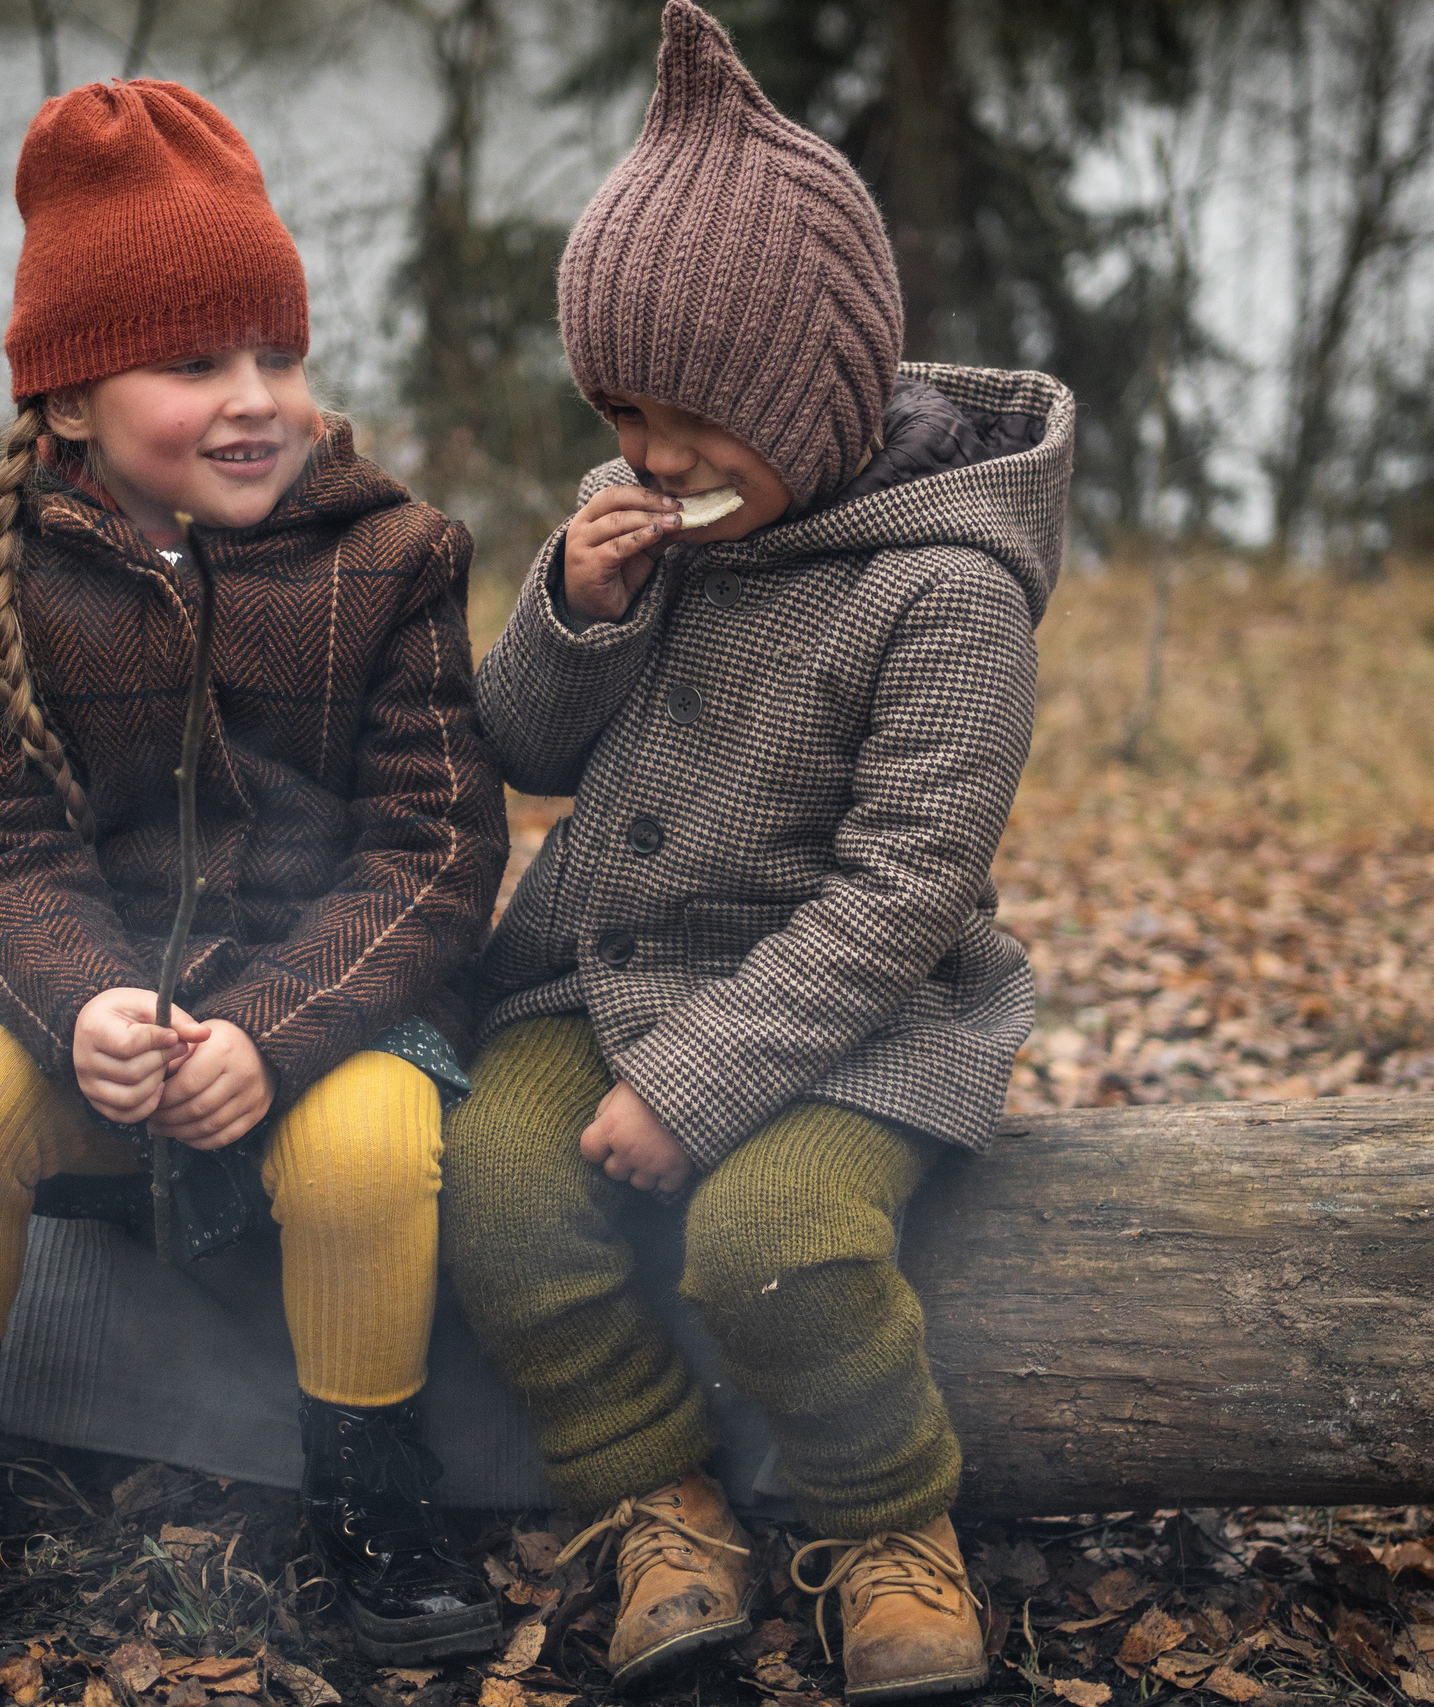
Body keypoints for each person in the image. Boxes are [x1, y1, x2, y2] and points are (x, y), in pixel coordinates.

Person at [0, 80, 510, 1664]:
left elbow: (434, 850)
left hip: (327, 1014)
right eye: (197, 362)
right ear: (68, 401)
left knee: (366, 1147)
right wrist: (81, 1008)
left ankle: (364, 1494)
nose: (257, 395)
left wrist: (272, 1034)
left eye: (279, 353)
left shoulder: (393, 562)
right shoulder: (7, 581)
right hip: (104, 1022)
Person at [439, 3, 1075, 1701]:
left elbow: (904, 892)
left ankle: (889, 1528)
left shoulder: (941, 590)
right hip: (607, 964)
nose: (649, 455)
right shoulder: (657, 521)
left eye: (687, 418)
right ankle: (655, 1497)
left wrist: (700, 1086)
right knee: (496, 1196)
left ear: (805, 394)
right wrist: (577, 611)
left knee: (769, 1242)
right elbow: (523, 749)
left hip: (859, 1014)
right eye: (619, 409)